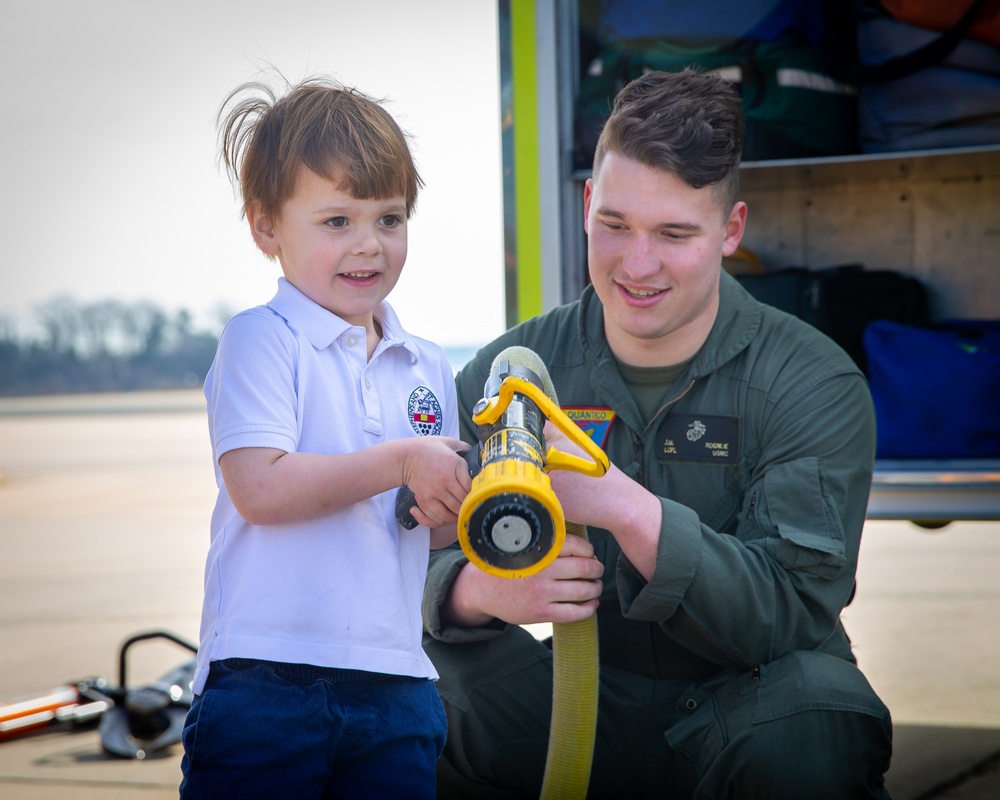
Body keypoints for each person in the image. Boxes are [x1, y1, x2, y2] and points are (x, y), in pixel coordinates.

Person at [422, 68, 893, 799]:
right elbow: (398, 548)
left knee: (815, 717)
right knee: (409, 692)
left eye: (674, 234)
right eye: (615, 225)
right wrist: (473, 592)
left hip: (747, 702)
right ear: (586, 202)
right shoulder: (512, 372)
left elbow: (794, 610)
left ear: (730, 230)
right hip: (584, 698)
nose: (637, 265)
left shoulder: (810, 380)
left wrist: (626, 508)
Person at [179, 76, 472, 799]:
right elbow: (260, 488)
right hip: (266, 678)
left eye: (390, 219)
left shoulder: (429, 364)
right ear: (266, 228)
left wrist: (451, 510)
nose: (369, 245)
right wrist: (401, 460)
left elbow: (432, 539)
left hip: (398, 679)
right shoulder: (262, 341)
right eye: (337, 221)